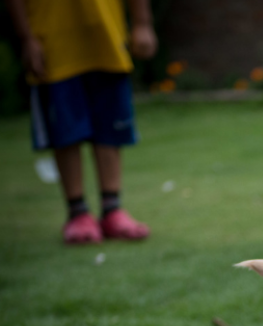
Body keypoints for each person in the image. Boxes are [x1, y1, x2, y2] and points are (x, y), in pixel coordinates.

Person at [6, 0, 157, 244]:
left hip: (107, 37)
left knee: (110, 127)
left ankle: (112, 209)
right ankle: (77, 211)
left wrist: (142, 22)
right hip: (52, 40)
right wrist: (26, 38)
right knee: (64, 130)